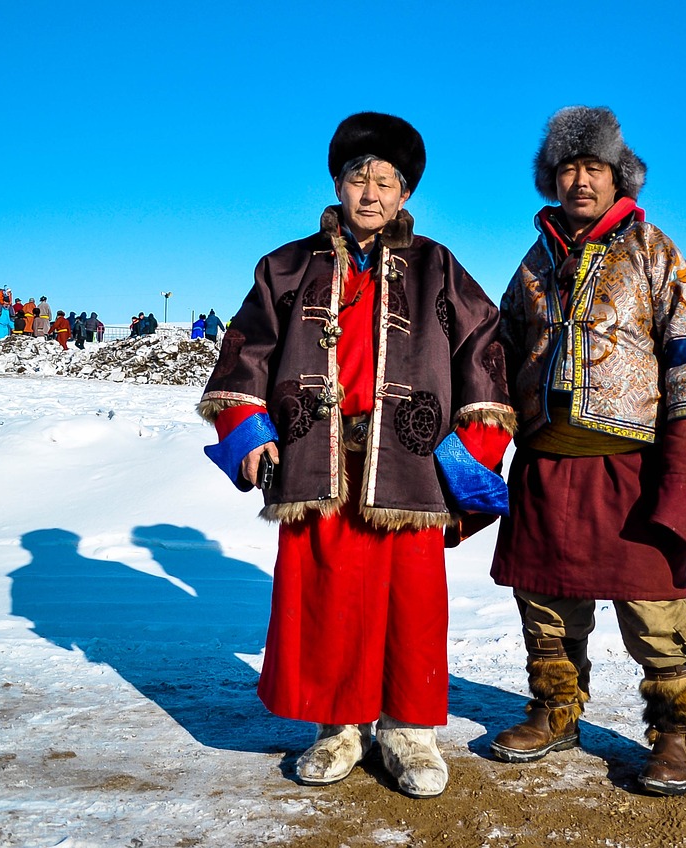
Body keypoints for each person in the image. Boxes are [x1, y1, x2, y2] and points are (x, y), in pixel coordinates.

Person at [198, 112, 512, 799]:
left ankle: (408, 730)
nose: (369, 193)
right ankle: (337, 726)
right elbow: (243, 358)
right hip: (318, 457)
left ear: (405, 195)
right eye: (357, 178)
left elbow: (486, 356)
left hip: (410, 460)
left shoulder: (438, 267)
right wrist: (251, 434)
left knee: (413, 604)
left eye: (385, 182)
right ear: (338, 183)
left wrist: (472, 452)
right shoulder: (285, 266)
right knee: (325, 598)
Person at [491, 106, 686, 797]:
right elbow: (501, 353)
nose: (579, 180)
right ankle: (556, 710)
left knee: (653, 603)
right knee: (544, 595)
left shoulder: (654, 251)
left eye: (592, 167)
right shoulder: (534, 263)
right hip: (545, 459)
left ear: (616, 175)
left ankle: (676, 730)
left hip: (631, 462)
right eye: (567, 168)